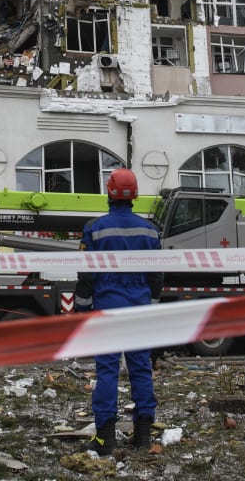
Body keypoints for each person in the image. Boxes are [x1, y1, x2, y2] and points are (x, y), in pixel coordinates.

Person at [75, 168, 164, 455]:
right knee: (141, 368)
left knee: (107, 370)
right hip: (139, 307)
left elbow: (86, 275)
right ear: (134, 194)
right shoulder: (150, 230)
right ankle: (143, 437)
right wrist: (152, 306)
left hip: (108, 306)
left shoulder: (95, 228)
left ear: (110, 193)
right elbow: (157, 276)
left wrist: (81, 309)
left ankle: (105, 439)